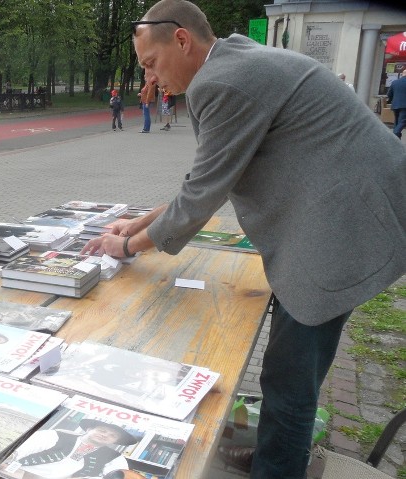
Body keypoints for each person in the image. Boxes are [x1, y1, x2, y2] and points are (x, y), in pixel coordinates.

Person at [83, 1, 406, 477]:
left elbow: (200, 198)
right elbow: (205, 178)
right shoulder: (236, 62)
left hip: (340, 232)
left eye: (150, 65)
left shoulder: (223, 82)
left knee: (291, 379)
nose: (150, 80)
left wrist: (126, 247)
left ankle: (278, 464)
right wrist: (136, 223)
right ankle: (281, 451)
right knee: (288, 370)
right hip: (343, 220)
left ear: (181, 40)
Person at [12, 418, 143, 479]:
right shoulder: (55, 435)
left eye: (112, 435)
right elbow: (20, 450)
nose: (105, 435)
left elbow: (117, 476)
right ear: (89, 429)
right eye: (102, 430)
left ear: (115, 441)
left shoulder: (115, 457)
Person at [387, 73, 406, 139]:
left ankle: (396, 139)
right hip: (404, 106)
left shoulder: (395, 82)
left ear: (402, 74)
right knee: (403, 121)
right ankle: (394, 135)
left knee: (397, 122)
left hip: (395, 105)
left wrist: (392, 100)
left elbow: (389, 94)